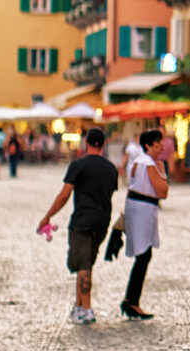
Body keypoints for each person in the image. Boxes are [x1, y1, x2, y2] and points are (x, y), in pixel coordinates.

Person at [38, 127, 117, 325]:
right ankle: (78, 306)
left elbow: (65, 195)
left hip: (82, 220)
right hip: (102, 221)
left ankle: (87, 309)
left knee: (83, 265)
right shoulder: (111, 169)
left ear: (86, 143)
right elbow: (109, 193)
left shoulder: (78, 165)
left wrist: (47, 216)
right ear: (104, 144)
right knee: (87, 264)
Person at [119, 128, 169, 320]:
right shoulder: (149, 164)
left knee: (143, 254)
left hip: (136, 206)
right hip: (143, 209)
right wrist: (163, 173)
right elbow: (162, 191)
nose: (161, 145)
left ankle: (132, 300)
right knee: (144, 254)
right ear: (149, 145)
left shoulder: (138, 161)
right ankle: (131, 301)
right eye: (158, 142)